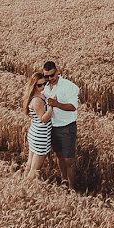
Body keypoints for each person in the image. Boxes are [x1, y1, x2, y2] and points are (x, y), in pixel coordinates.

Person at [42, 60, 79, 188]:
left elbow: (73, 107)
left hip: (67, 127)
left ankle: (72, 188)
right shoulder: (45, 87)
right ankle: (64, 180)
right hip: (52, 127)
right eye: (46, 76)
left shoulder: (69, 86)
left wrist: (56, 104)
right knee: (59, 155)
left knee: (69, 159)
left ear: (57, 72)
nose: (49, 78)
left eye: (52, 75)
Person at [22, 71, 52, 180]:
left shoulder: (37, 96)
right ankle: (27, 190)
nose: (43, 87)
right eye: (39, 85)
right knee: (35, 169)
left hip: (35, 133)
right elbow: (43, 119)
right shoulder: (37, 100)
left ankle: (21, 185)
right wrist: (53, 106)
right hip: (41, 137)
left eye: (45, 84)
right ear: (34, 86)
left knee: (29, 165)